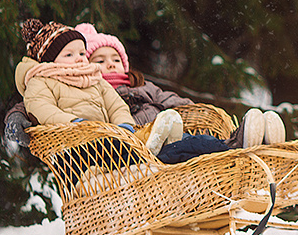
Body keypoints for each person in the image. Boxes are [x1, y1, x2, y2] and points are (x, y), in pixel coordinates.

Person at [12, 19, 278, 166]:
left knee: (180, 142)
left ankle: (243, 142)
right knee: (175, 149)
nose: (79, 59)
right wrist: (74, 124)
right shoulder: (42, 81)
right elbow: (38, 108)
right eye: (70, 55)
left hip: (124, 136)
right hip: (91, 146)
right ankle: (230, 148)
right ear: (49, 61)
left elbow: (117, 105)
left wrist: (124, 126)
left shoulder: (99, 81)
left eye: (81, 53)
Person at [74, 22, 284, 151]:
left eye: (115, 59)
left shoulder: (142, 86)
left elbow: (171, 100)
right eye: (100, 61)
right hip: (146, 148)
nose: (110, 64)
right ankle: (237, 146)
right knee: (192, 146)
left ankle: (256, 142)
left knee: (196, 141)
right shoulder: (95, 95)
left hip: (171, 133)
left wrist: (192, 109)